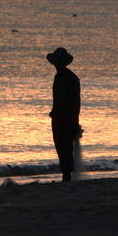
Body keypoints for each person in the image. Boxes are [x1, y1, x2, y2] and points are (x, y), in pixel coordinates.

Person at [46, 47, 83, 182]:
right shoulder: (63, 77)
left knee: (65, 147)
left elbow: (73, 102)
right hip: (60, 117)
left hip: (65, 118)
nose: (57, 65)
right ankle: (66, 175)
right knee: (62, 147)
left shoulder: (70, 78)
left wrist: (74, 121)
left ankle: (66, 176)